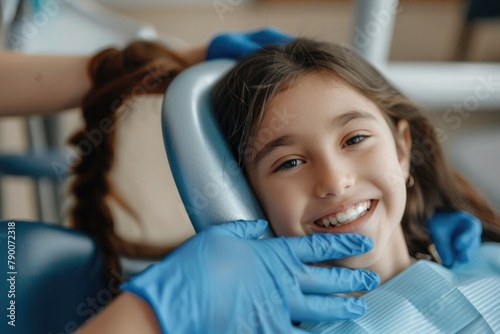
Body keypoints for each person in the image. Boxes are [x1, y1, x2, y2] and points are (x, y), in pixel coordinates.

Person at [209, 38, 500, 330]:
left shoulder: (490, 264)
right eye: (290, 163)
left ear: (402, 149)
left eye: (355, 139)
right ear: (249, 198)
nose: (334, 181)